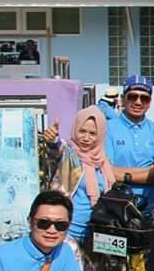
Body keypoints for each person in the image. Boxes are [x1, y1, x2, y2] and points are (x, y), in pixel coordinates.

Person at [104, 74, 154, 268]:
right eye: (133, 96)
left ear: (150, 103)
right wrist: (145, 174)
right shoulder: (107, 128)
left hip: (150, 213)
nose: (138, 102)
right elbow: (107, 171)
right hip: (115, 213)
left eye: (144, 98)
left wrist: (124, 175)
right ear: (123, 98)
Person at [44, 106, 117, 252]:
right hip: (68, 231)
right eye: (82, 131)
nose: (86, 138)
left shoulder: (104, 162)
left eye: (92, 133)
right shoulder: (70, 155)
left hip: (96, 233)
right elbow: (56, 150)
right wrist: (52, 140)